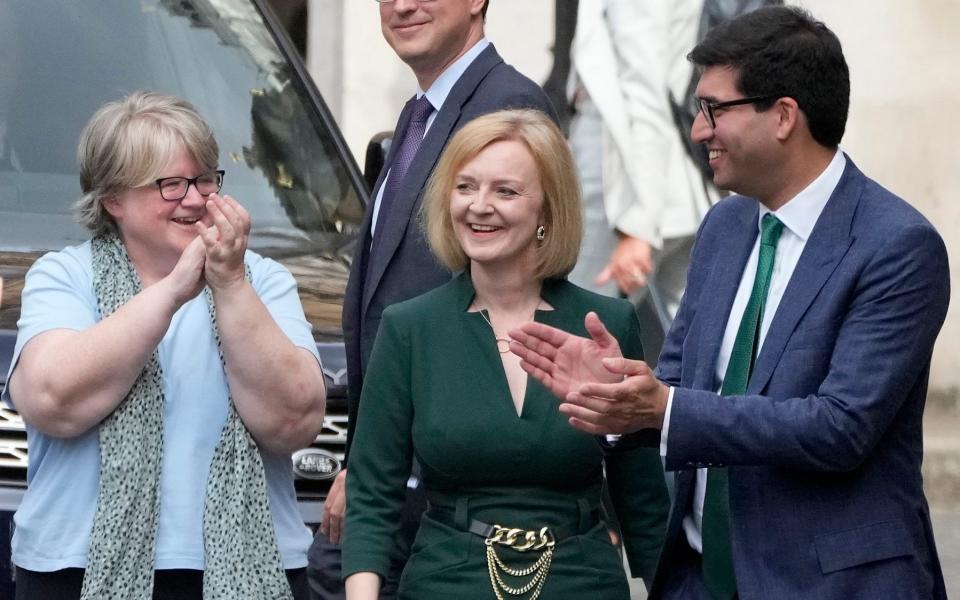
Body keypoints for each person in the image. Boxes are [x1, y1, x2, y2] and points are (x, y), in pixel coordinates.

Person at [510, 6, 950, 600]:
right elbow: (679, 384)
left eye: (714, 110)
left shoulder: (895, 245)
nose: (697, 131)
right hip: (696, 578)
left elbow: (840, 427)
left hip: (828, 584)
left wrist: (663, 408)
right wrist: (618, 395)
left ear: (784, 116)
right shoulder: (725, 224)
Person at [1, 92, 327, 600]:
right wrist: (173, 291)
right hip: (75, 569)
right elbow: (52, 402)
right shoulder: (64, 275)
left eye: (204, 180)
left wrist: (231, 284)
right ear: (113, 199)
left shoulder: (263, 281)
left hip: (250, 568)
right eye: (170, 184)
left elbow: (295, 421)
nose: (194, 199)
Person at [342, 108, 668, 600]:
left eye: (506, 191)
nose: (478, 206)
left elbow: (642, 499)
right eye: (465, 186)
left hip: (581, 583)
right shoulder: (410, 328)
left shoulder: (606, 325)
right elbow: (371, 493)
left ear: (547, 210)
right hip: (446, 583)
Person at [309, 0, 557, 597]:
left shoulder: (507, 107)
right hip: (391, 476)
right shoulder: (423, 111)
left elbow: (497, 311)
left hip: (442, 493)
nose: (400, 5)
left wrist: (381, 469)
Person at [566, 0, 718, 315]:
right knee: (698, 342)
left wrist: (640, 224)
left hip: (622, 183)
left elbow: (644, 92)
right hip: (672, 182)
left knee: (575, 334)